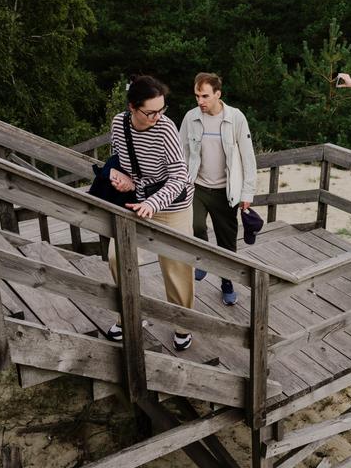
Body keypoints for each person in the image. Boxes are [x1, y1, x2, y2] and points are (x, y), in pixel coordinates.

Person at [105, 75, 195, 351]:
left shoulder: (166, 128)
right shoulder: (119, 124)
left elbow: (179, 176)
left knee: (176, 265)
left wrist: (153, 204)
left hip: (172, 206)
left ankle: (183, 324)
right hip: (136, 200)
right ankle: (131, 313)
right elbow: (116, 158)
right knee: (116, 256)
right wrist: (121, 179)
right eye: (151, 112)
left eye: (161, 110)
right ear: (132, 107)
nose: (158, 116)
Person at [179, 72, 257, 306]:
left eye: (205, 96)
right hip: (198, 186)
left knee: (227, 243)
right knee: (195, 225)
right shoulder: (191, 118)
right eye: (196, 96)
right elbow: (181, 153)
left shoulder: (235, 118)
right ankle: (202, 260)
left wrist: (247, 193)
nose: (200, 101)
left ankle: (227, 282)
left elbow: (248, 158)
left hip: (226, 192)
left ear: (217, 94)